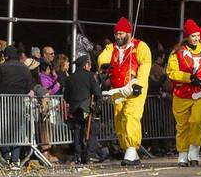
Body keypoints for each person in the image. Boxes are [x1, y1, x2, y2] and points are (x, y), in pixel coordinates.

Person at [97, 17, 151, 167]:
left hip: (134, 89)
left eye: (120, 34)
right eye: (116, 34)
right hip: (118, 90)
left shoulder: (140, 46)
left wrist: (140, 83)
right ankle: (129, 149)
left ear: (128, 33)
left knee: (130, 116)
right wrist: (104, 65)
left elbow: (145, 65)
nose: (118, 37)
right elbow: (103, 56)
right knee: (119, 118)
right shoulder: (112, 48)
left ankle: (132, 148)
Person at [167, 21, 201, 166]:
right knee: (182, 126)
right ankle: (182, 153)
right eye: (193, 36)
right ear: (187, 37)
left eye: (197, 35)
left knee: (198, 121)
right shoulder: (177, 52)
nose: (195, 38)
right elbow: (171, 72)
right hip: (182, 94)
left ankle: (194, 150)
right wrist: (188, 78)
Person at [61, 55, 101, 166]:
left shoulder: (70, 78)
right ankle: (89, 155)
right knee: (91, 130)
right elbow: (97, 92)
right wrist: (97, 105)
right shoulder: (90, 76)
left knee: (78, 131)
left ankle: (78, 155)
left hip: (75, 109)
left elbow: (66, 96)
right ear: (85, 65)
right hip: (86, 108)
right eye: (89, 65)